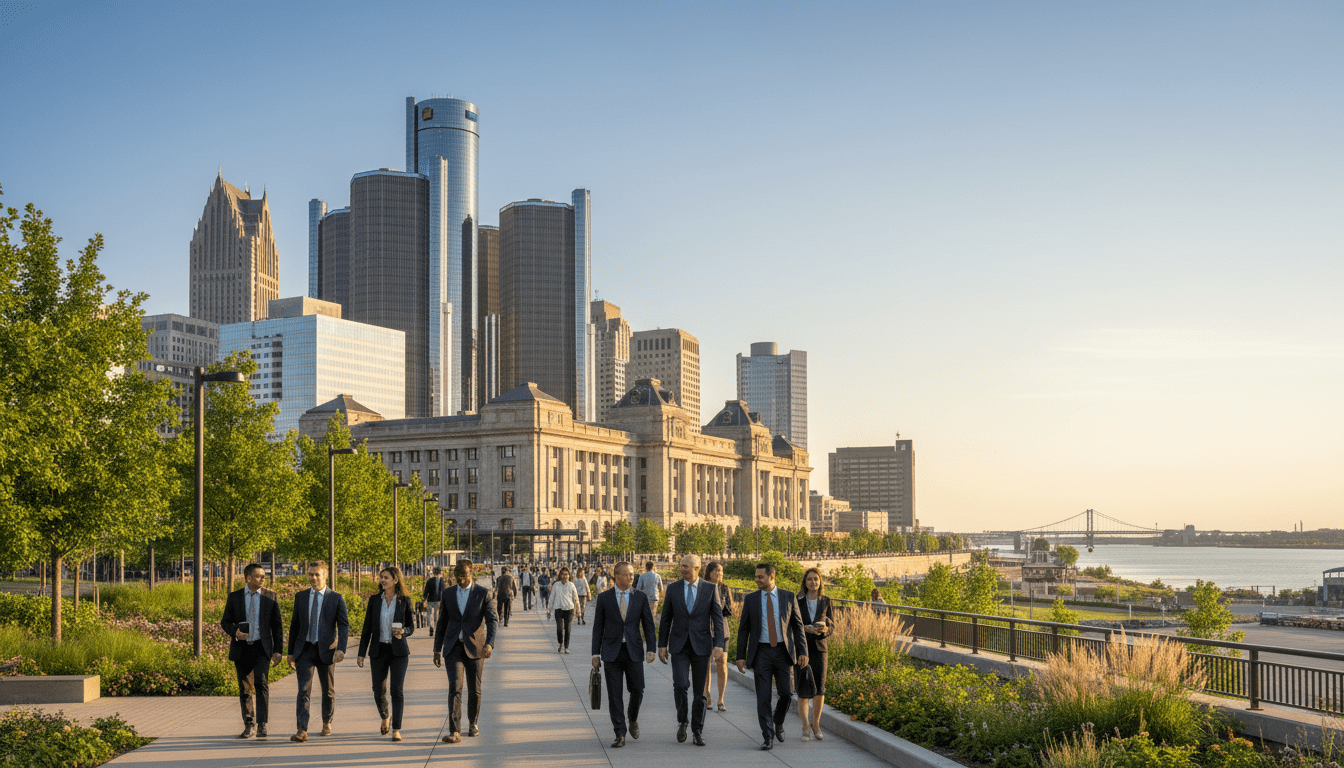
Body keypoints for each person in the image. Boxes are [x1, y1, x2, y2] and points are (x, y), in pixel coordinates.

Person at [735, 562, 807, 751]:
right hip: (762, 653)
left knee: (786, 693)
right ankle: (768, 737)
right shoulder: (750, 599)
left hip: (783, 652)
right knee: (763, 697)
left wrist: (803, 651)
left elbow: (798, 627)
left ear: (771, 577)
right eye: (756, 576)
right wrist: (740, 656)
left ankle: (778, 720)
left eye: (760, 577)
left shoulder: (788, 597)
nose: (756, 580)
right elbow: (744, 630)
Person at [658, 553, 725, 747]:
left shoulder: (710, 589)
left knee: (700, 692)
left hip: (701, 645)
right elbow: (665, 618)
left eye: (686, 566)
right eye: (681, 566)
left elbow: (718, 619)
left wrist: (719, 643)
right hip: (679, 645)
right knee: (680, 685)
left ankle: (697, 730)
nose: (682, 569)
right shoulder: (672, 589)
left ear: (697, 569)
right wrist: (662, 644)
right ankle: (683, 720)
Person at [591, 561, 656, 748]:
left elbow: (648, 625)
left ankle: (632, 717)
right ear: (616, 576)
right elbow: (598, 628)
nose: (631, 577)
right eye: (627, 574)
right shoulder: (604, 598)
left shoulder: (640, 597)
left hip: (633, 651)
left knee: (637, 689)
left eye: (632, 574)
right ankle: (620, 732)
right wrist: (595, 653)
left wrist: (651, 648)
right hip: (611, 652)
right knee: (614, 694)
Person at [433, 559, 498, 743]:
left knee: (474, 689)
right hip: (453, 646)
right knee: (455, 688)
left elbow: (492, 620)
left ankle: (473, 723)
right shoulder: (448, 593)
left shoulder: (483, 593)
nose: (461, 580)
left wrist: (490, 643)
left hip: (476, 648)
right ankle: (454, 730)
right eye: (458, 577)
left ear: (472, 574)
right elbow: (442, 622)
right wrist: (437, 649)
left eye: (464, 576)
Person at [286, 561, 349, 743]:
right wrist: (290, 652)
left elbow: (343, 626)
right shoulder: (301, 597)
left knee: (327, 690)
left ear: (325, 575)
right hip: (304, 649)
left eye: (316, 574)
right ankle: (301, 729)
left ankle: (326, 722)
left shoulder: (336, 598)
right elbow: (295, 626)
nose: (313, 578)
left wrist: (341, 649)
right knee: (303, 690)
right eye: (310, 574)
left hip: (326, 650)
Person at [220, 562, 282, 739]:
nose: (263, 578)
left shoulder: (271, 597)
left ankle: (262, 724)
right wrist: (235, 632)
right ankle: (249, 724)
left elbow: (277, 627)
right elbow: (225, 621)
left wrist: (278, 650)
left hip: (262, 649)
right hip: (242, 649)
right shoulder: (235, 597)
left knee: (261, 684)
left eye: (264, 576)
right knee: (245, 689)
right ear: (248, 578)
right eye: (258, 576)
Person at [357, 567, 415, 742]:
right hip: (378, 650)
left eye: (386, 578)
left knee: (396, 691)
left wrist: (403, 631)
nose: (383, 580)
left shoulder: (404, 600)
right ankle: (385, 717)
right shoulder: (375, 600)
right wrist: (361, 653)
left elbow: (411, 627)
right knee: (378, 690)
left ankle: (396, 729)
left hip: (398, 652)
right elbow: (367, 628)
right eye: (381, 577)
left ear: (395, 580)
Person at [796, 567, 832, 742]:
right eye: (809, 579)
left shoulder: (825, 600)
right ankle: (804, 726)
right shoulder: (797, 600)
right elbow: (790, 625)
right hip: (802, 649)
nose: (813, 582)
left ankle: (815, 724)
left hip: (820, 649)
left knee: (819, 689)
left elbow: (832, 625)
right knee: (803, 688)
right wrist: (804, 628)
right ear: (805, 581)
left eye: (816, 579)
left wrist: (825, 629)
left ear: (820, 581)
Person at [702, 561, 734, 712]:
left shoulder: (724, 588)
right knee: (706, 664)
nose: (720, 574)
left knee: (721, 663)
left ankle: (721, 699)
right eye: (717, 571)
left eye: (721, 571)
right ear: (709, 573)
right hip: (705, 630)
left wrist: (719, 606)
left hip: (722, 631)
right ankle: (706, 695)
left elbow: (730, 610)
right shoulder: (702, 587)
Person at [550, 567, 580, 652]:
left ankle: (566, 647)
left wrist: (578, 611)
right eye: (562, 574)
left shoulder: (571, 585)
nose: (564, 576)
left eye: (566, 574)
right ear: (560, 575)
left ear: (569, 575)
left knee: (568, 629)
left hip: (569, 610)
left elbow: (576, 598)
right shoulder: (556, 585)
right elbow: (552, 597)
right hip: (558, 609)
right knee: (559, 628)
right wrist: (548, 610)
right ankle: (560, 643)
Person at [424, 567, 445, 637]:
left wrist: (424, 599)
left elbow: (426, 591)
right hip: (438, 600)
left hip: (430, 600)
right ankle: (436, 628)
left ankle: (431, 626)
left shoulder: (429, 580)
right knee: (436, 614)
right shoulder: (441, 580)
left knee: (429, 614)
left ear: (433, 573)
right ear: (439, 573)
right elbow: (443, 591)